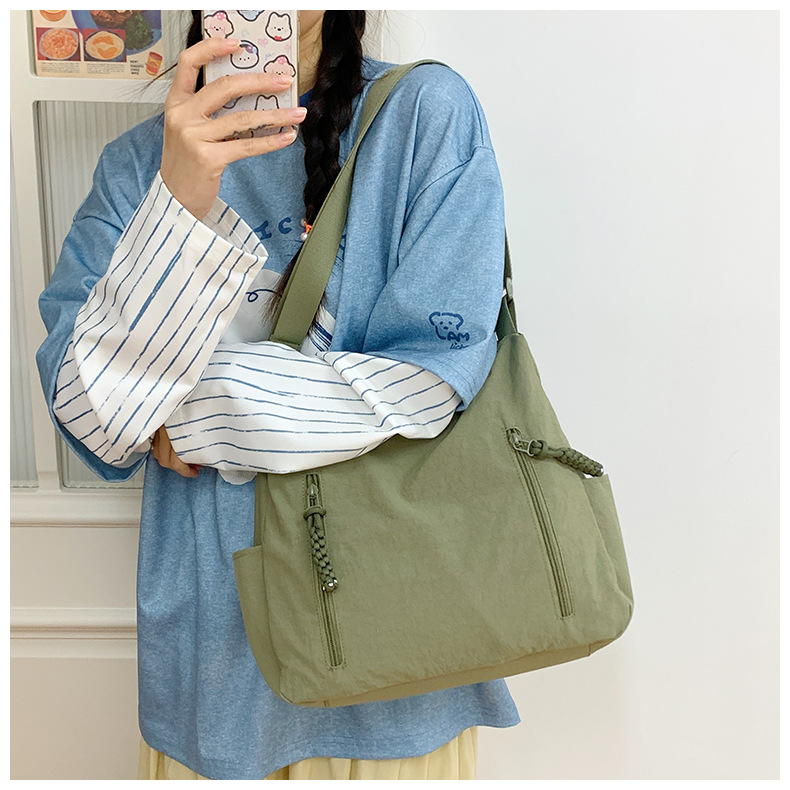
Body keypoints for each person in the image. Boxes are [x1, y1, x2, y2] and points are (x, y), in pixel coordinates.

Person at [36, 10, 521, 781]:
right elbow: (93, 417)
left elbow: (430, 383)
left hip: (398, 657)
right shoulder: (137, 166)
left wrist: (185, 412)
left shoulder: (422, 116)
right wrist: (179, 203)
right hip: (214, 665)